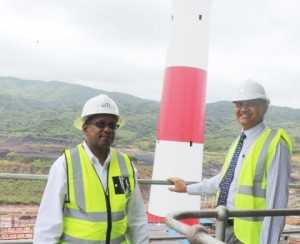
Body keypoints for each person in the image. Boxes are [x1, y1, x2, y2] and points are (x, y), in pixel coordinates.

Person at [168, 80, 293, 244]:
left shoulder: (275, 144)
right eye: (239, 104)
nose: (243, 109)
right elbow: (223, 180)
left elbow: (276, 207)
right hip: (224, 227)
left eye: (251, 104)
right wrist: (187, 188)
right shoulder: (239, 142)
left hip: (250, 238)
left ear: (264, 107)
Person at [34, 94, 149, 244]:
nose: (107, 129)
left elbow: (137, 219)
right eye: (100, 124)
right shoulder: (65, 165)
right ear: (85, 128)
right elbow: (48, 224)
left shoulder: (126, 165)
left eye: (112, 125)